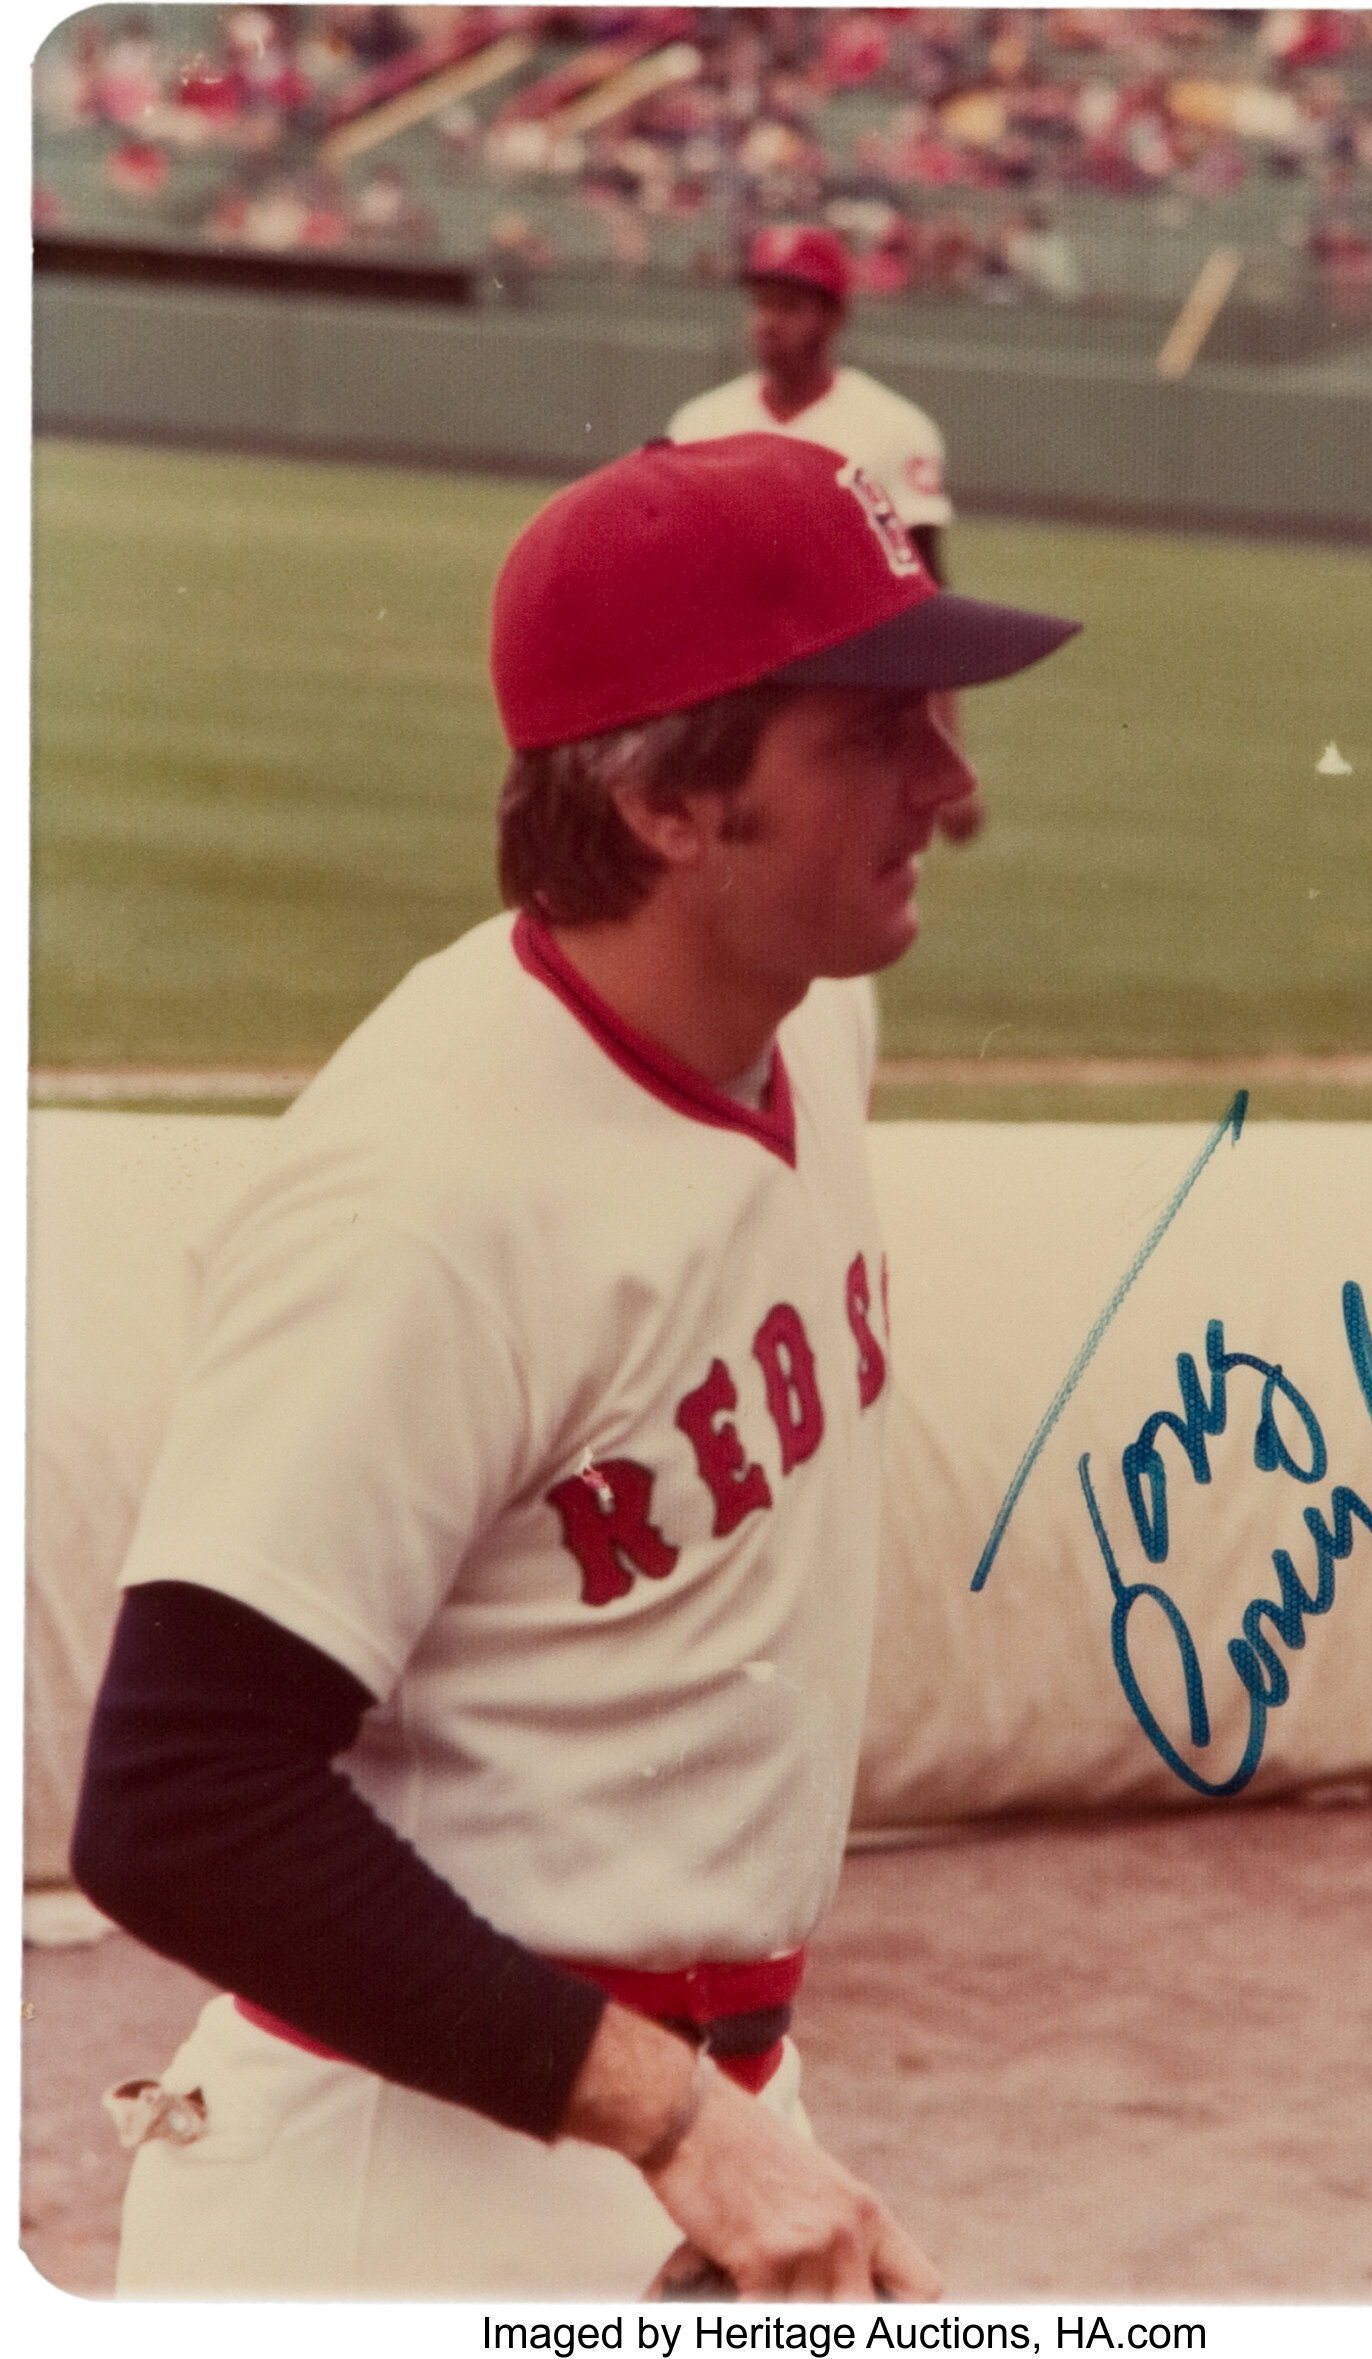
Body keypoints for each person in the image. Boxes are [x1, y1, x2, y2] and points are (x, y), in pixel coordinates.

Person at [72, 434, 1078, 2302]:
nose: (950, 783)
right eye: (872, 729)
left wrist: (717, 2123)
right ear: (672, 807)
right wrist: (676, 2118)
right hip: (401, 2182)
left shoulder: (809, 1017)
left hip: (693, 2121)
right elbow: (177, 1796)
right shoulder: (422, 1203)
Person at [670, 224, 975, 841]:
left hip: (841, 702)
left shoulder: (893, 428)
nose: (766, 321)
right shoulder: (700, 423)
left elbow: (926, 603)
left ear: (833, 316)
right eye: (760, 302)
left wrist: (944, 749)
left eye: (788, 305)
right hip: (721, 702)